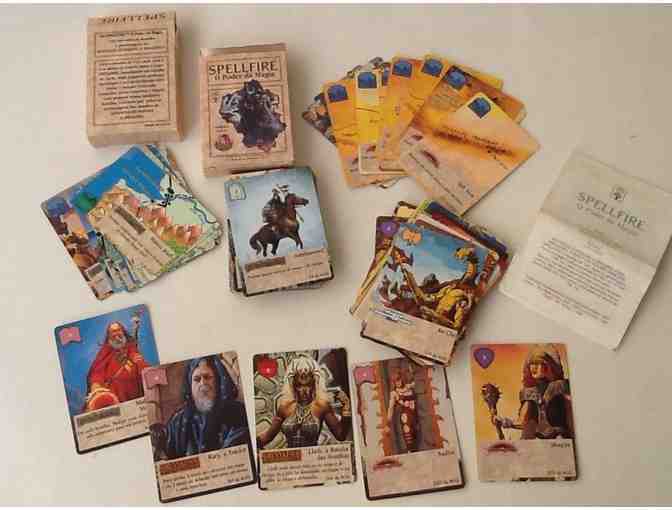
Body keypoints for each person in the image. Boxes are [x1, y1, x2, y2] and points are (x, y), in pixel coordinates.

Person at [162, 356, 250, 459]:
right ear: (190, 386)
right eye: (196, 379)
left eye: (207, 377)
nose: (203, 383)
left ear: (218, 381)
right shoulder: (178, 421)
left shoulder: (238, 413)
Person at [257, 356, 351, 449]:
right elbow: (267, 437)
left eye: (308, 385)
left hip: (314, 456)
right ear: (293, 386)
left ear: (314, 385)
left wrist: (346, 408)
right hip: (290, 457)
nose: (304, 391)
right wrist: (252, 444)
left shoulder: (321, 406)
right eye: (299, 386)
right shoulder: (284, 408)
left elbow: (341, 435)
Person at [493, 345, 574, 439]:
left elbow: (570, 418)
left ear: (548, 365)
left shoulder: (561, 387)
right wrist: (504, 421)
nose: (533, 367)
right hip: (538, 441)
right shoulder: (529, 392)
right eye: (532, 363)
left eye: (538, 363)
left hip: (560, 440)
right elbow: (523, 422)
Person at [84, 316, 148, 412]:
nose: (116, 334)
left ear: (123, 332)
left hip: (136, 398)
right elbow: (96, 372)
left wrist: (140, 364)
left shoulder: (132, 349)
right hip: (114, 399)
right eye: (113, 332)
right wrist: (96, 387)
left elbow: (143, 368)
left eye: (118, 330)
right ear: (108, 336)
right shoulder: (104, 352)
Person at [384, 368, 418, 453]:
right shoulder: (394, 393)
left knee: (416, 437)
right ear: (393, 382)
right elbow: (390, 408)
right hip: (405, 417)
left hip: (415, 415)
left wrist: (411, 371)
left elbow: (414, 381)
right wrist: (388, 423)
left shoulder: (408, 387)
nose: (397, 383)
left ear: (401, 379)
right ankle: (410, 452)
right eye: (395, 381)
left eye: (398, 380)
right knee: (408, 436)